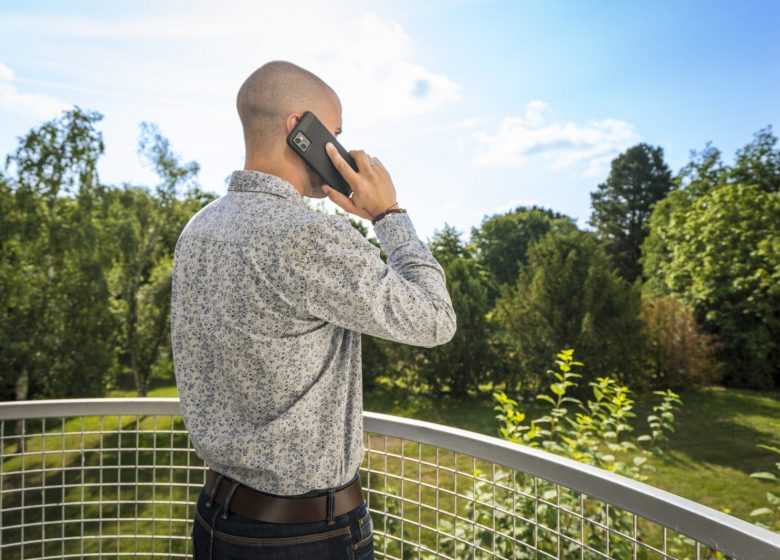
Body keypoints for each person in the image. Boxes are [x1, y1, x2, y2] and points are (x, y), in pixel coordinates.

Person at [171, 60, 457, 560]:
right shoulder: (309, 236)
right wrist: (388, 215)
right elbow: (435, 319)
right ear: (298, 129)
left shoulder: (199, 228)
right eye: (336, 133)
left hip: (217, 523)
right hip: (302, 538)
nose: (343, 150)